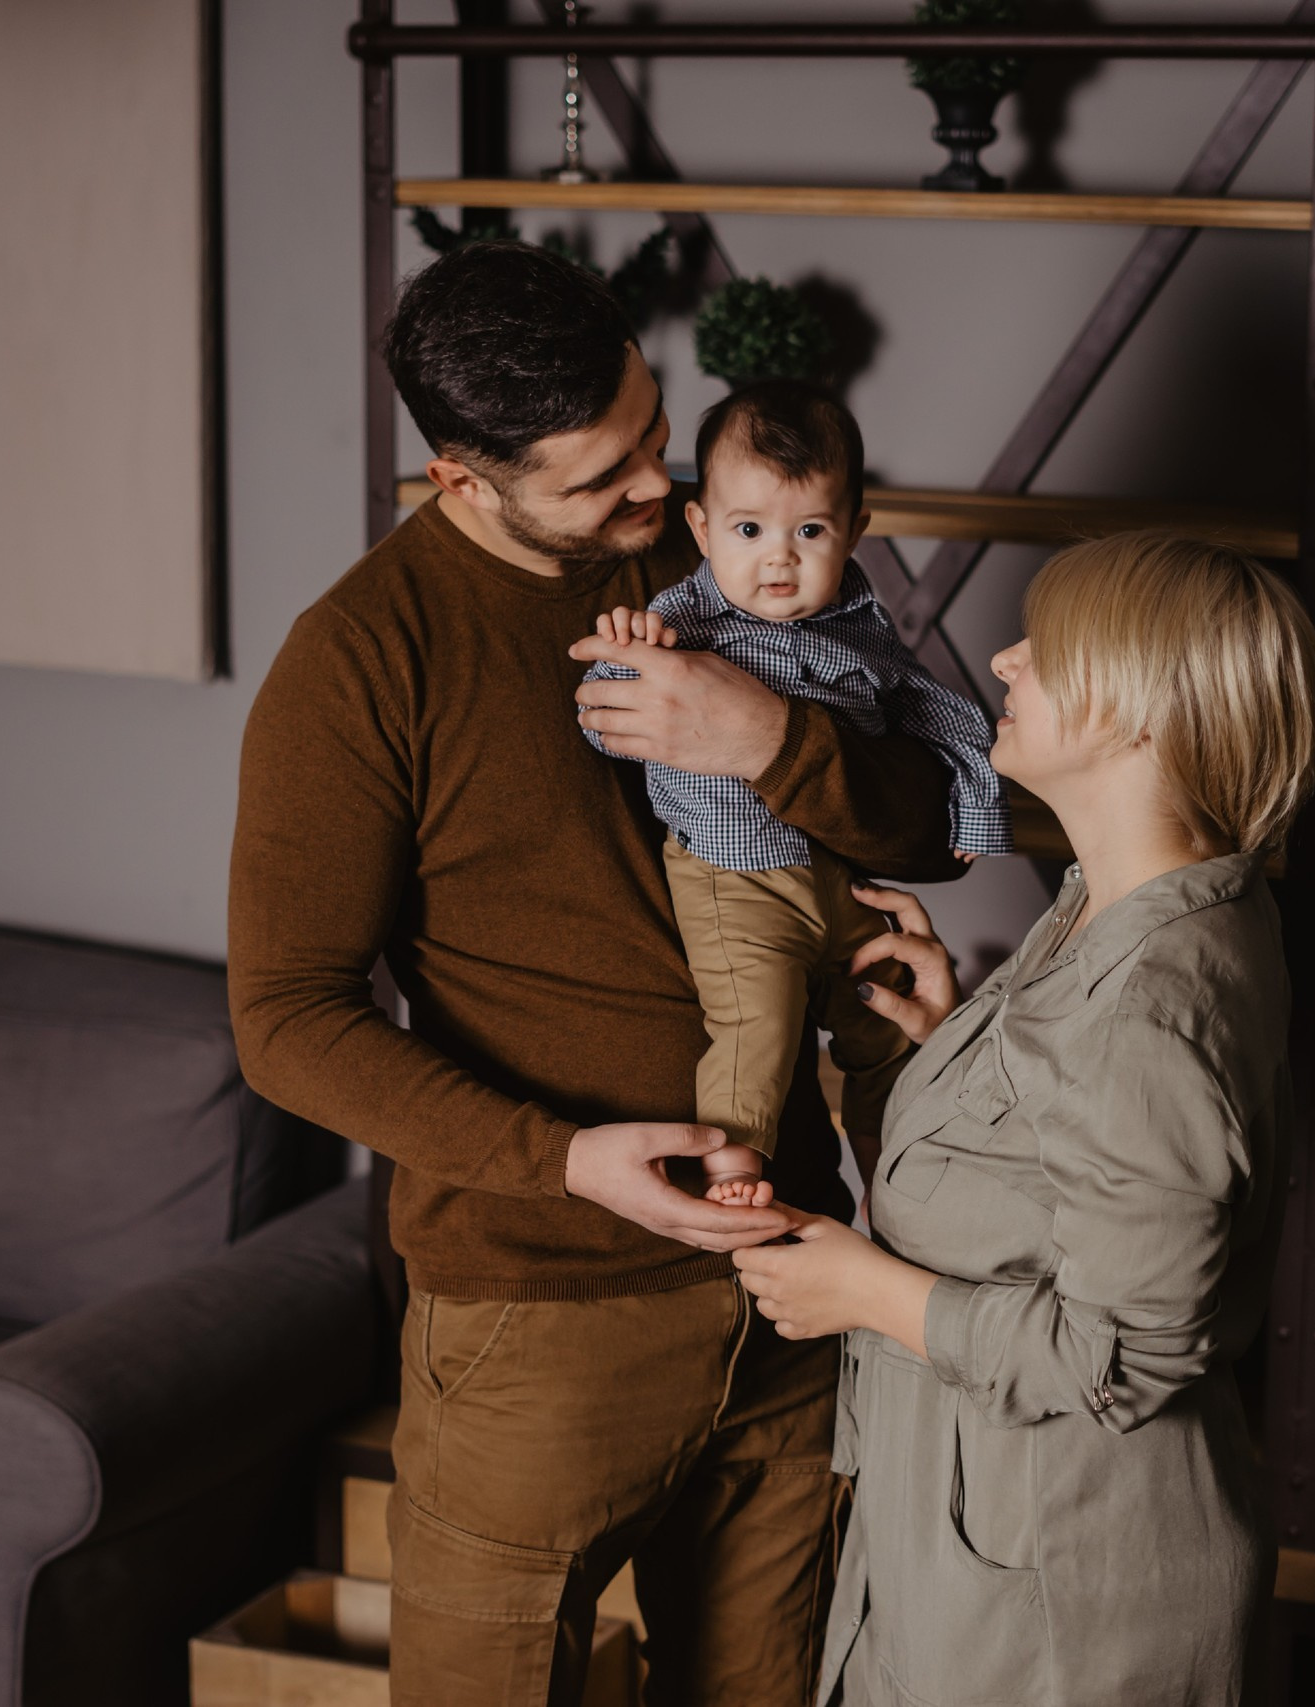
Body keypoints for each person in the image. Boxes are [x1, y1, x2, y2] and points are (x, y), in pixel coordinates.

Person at [226, 240, 964, 1707]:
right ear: (462, 479)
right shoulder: (362, 660)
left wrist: (762, 735)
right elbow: (286, 1020)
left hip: (791, 1281)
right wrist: (563, 1159)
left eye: (650, 437)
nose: (651, 501)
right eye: (597, 482)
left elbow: (942, 817)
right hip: (540, 1325)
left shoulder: (740, 555)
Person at [732, 531, 1315, 1707]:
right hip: (989, 1560)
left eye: (1046, 650)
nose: (1004, 660)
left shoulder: (1151, 999)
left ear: (1139, 714)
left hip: (1068, 1618)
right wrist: (960, 1048)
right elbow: (1075, 1141)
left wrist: (864, 1294)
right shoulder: (1127, 900)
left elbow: (1127, 1354)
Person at [580, 379, 1011, 1205]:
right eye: (748, 529)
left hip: (841, 871)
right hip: (732, 878)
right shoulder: (682, 621)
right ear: (701, 529)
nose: (779, 556)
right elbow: (605, 721)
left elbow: (936, 707)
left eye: (810, 529)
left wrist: (975, 803)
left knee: (884, 1018)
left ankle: (897, 1166)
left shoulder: (862, 625)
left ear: (854, 533)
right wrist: (625, 653)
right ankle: (735, 1164)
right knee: (757, 1024)